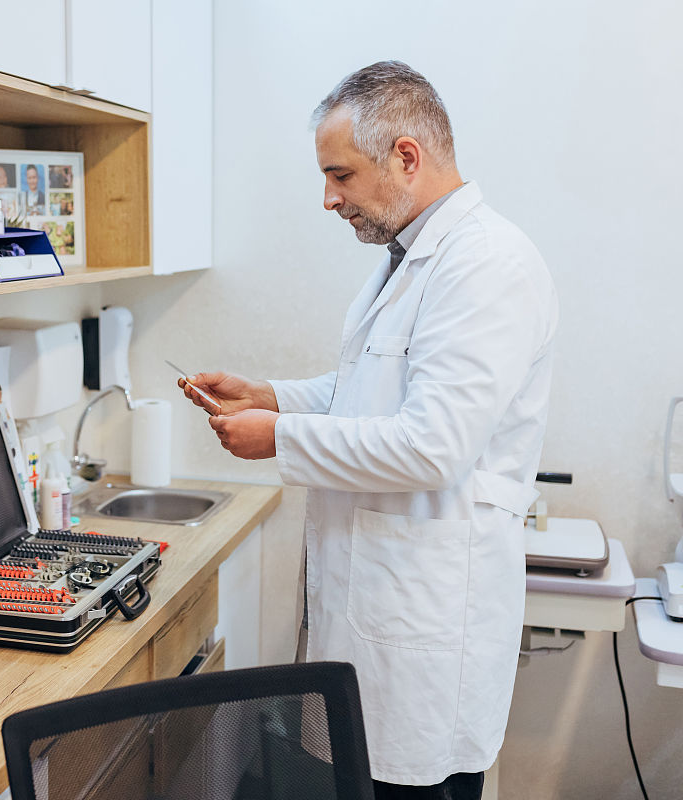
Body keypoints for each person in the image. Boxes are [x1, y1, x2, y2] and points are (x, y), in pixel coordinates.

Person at [178, 61, 557, 800]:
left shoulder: (486, 265)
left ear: (406, 157)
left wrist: (276, 440)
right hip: (374, 621)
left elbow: (429, 445)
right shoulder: (408, 261)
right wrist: (272, 397)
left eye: (340, 175)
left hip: (423, 643)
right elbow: (366, 394)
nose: (329, 199)